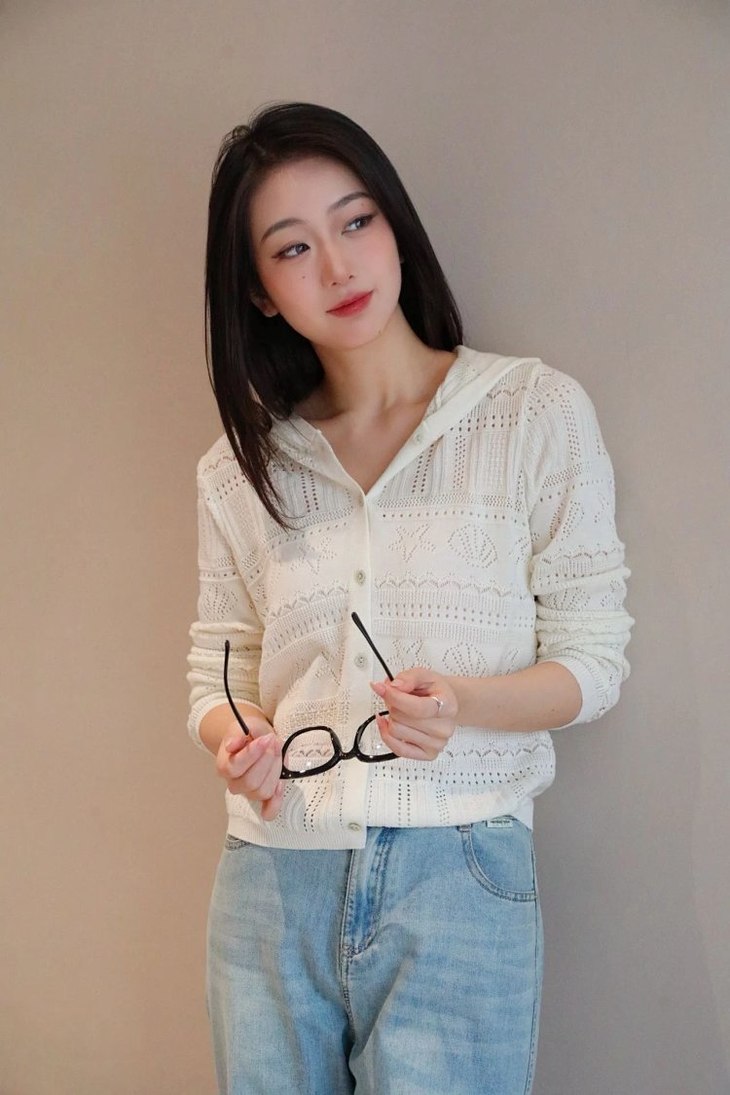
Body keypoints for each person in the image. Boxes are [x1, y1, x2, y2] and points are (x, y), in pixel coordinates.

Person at [187, 101, 632, 1095]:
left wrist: (462, 706)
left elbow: (594, 662)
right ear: (258, 291)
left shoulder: (531, 413)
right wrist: (236, 734)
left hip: (458, 873)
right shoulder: (240, 469)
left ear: (395, 225)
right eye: (292, 248)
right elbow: (217, 667)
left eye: (356, 222)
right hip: (271, 877)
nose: (338, 267)